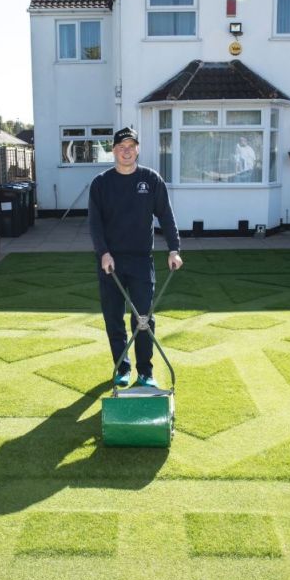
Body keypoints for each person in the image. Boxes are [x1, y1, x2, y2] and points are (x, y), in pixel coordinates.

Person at [88, 127, 183, 388]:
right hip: (111, 263)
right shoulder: (101, 183)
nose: (126, 151)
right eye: (121, 147)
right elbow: (95, 224)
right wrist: (104, 253)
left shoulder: (151, 180)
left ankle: (145, 371)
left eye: (131, 146)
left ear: (138, 149)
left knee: (143, 319)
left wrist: (174, 249)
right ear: (114, 150)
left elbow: (166, 216)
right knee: (113, 317)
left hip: (142, 260)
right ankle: (123, 367)